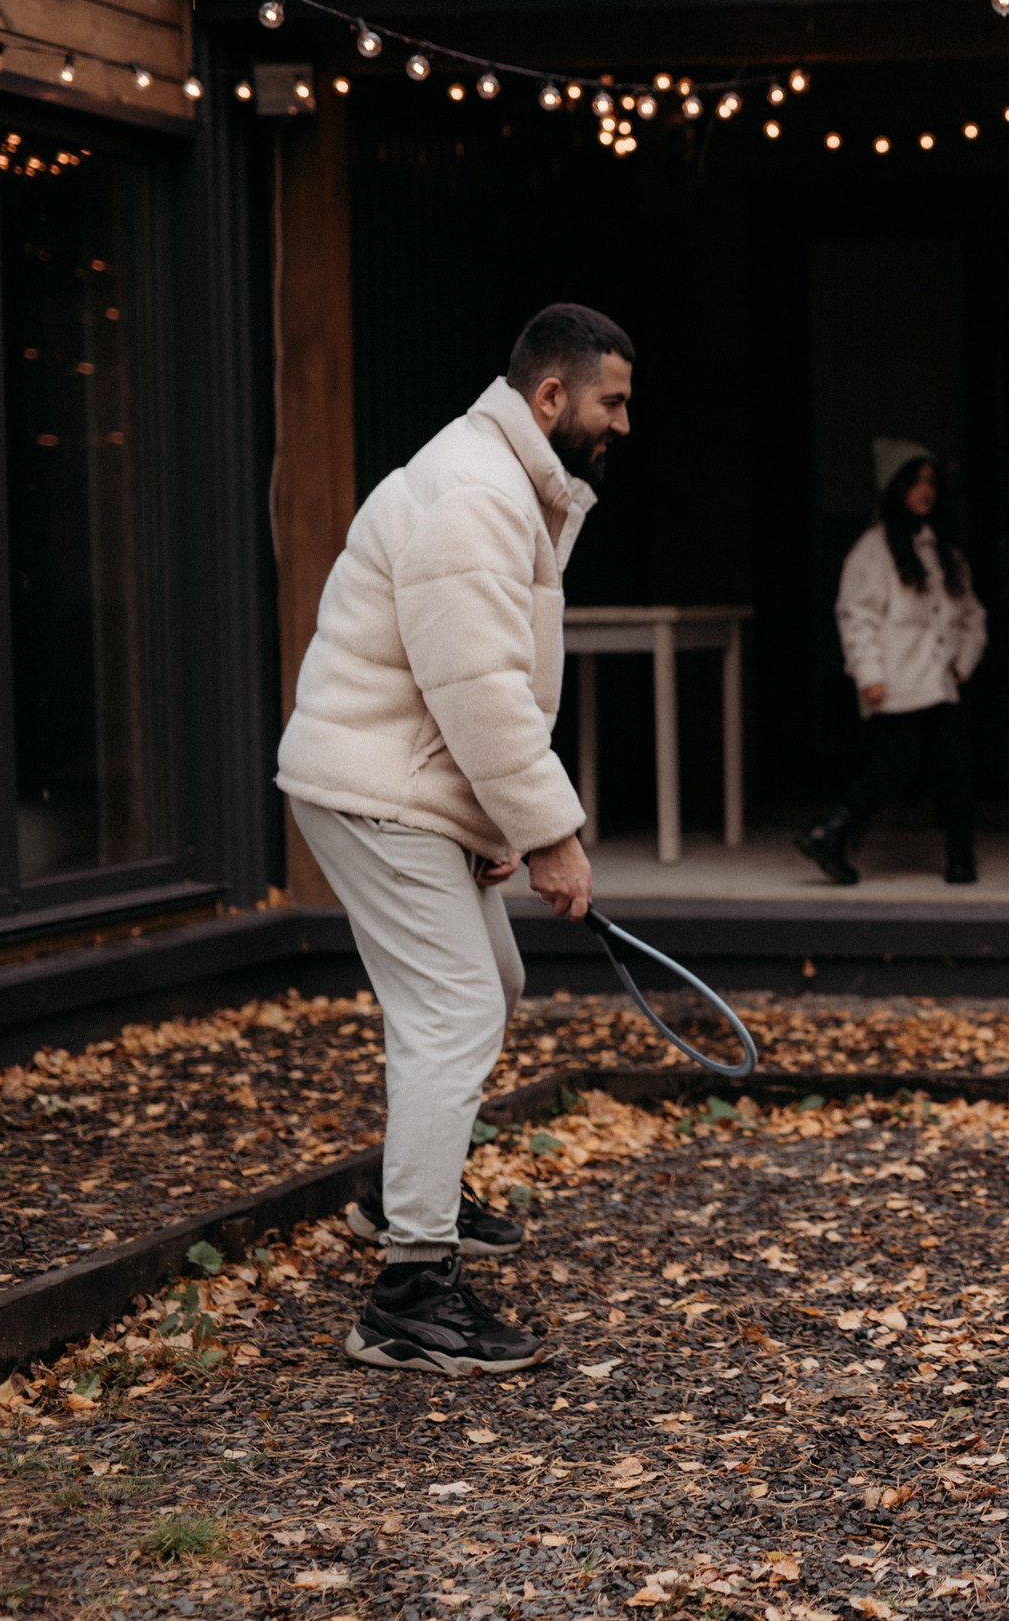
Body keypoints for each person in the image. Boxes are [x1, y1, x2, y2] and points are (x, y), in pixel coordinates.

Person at [275, 303, 630, 1374]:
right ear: (551, 397)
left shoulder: (503, 478)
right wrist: (548, 833)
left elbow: (465, 682)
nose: (624, 421)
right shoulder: (475, 493)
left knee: (492, 978)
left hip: (411, 783)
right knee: (456, 1007)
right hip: (373, 788)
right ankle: (408, 1295)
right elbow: (477, 690)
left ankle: (399, 1194)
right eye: (612, 400)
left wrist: (486, 822)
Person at [796, 440, 988, 886]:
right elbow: (856, 615)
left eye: (931, 482)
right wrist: (870, 675)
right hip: (897, 684)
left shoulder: (942, 550)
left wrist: (963, 662)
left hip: (939, 683)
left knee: (953, 770)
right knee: (892, 768)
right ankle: (831, 832)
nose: (926, 491)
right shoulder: (874, 550)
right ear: (894, 487)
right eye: (915, 481)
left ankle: (961, 857)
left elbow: (971, 616)